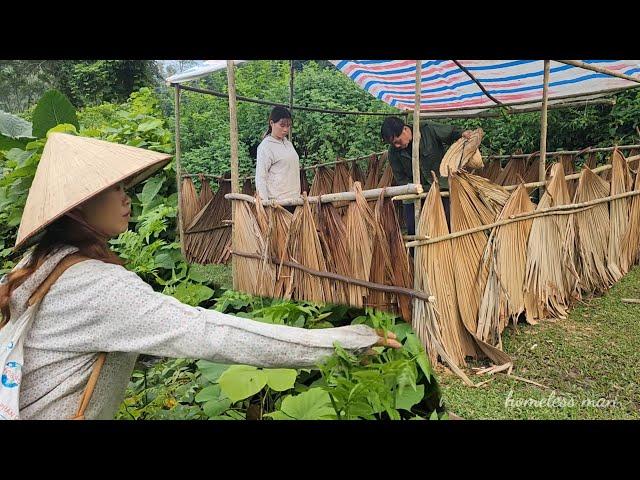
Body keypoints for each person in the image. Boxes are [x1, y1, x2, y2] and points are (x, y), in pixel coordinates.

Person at [0, 132, 399, 420]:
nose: (127, 197)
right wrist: (346, 341)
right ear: (76, 209)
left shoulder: (43, 263)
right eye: (115, 188)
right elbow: (210, 332)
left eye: (126, 186)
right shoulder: (94, 287)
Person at [381, 116, 473, 234]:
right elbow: (401, 179)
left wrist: (463, 134)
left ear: (405, 129)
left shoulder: (427, 129)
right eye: (393, 144)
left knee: (448, 223)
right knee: (414, 229)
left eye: (398, 141)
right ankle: (416, 252)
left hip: (441, 186)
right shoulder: (393, 153)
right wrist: (417, 188)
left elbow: (450, 133)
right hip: (415, 192)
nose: (397, 146)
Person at [255, 106, 300, 212]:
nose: (285, 129)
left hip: (295, 200)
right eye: (282, 125)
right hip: (278, 204)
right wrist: (265, 205)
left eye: (288, 126)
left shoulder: (288, 144)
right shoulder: (266, 147)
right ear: (272, 123)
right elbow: (260, 177)